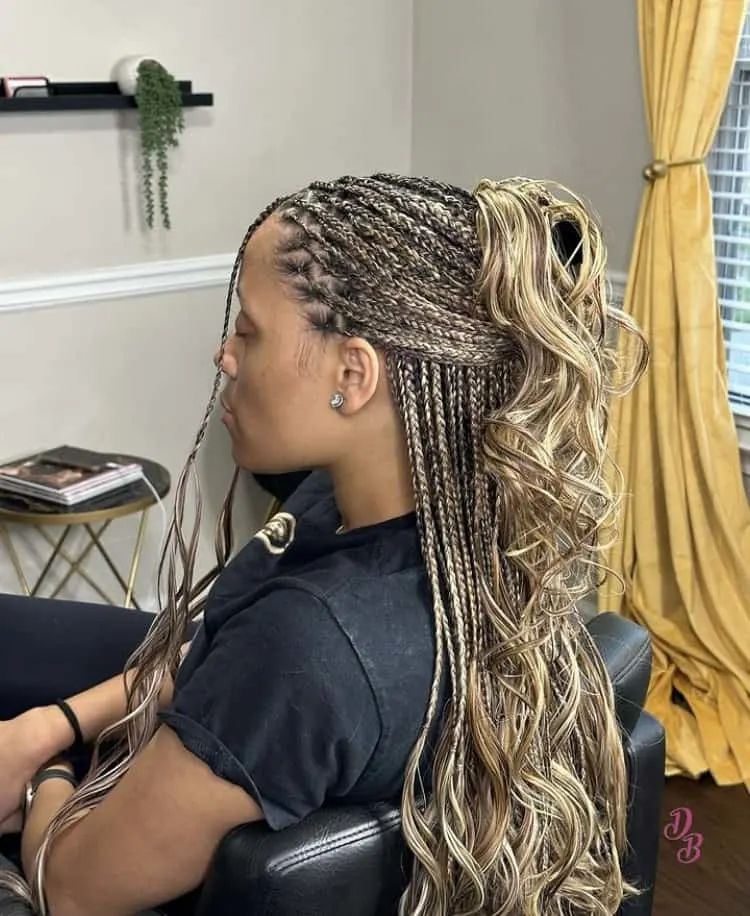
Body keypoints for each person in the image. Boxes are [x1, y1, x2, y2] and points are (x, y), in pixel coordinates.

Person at [0, 173, 647, 915]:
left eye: (249, 331)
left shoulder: (310, 645)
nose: (225, 355)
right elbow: (218, 647)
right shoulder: (419, 516)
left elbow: (71, 888)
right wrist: (51, 722)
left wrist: (46, 769)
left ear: (353, 374)